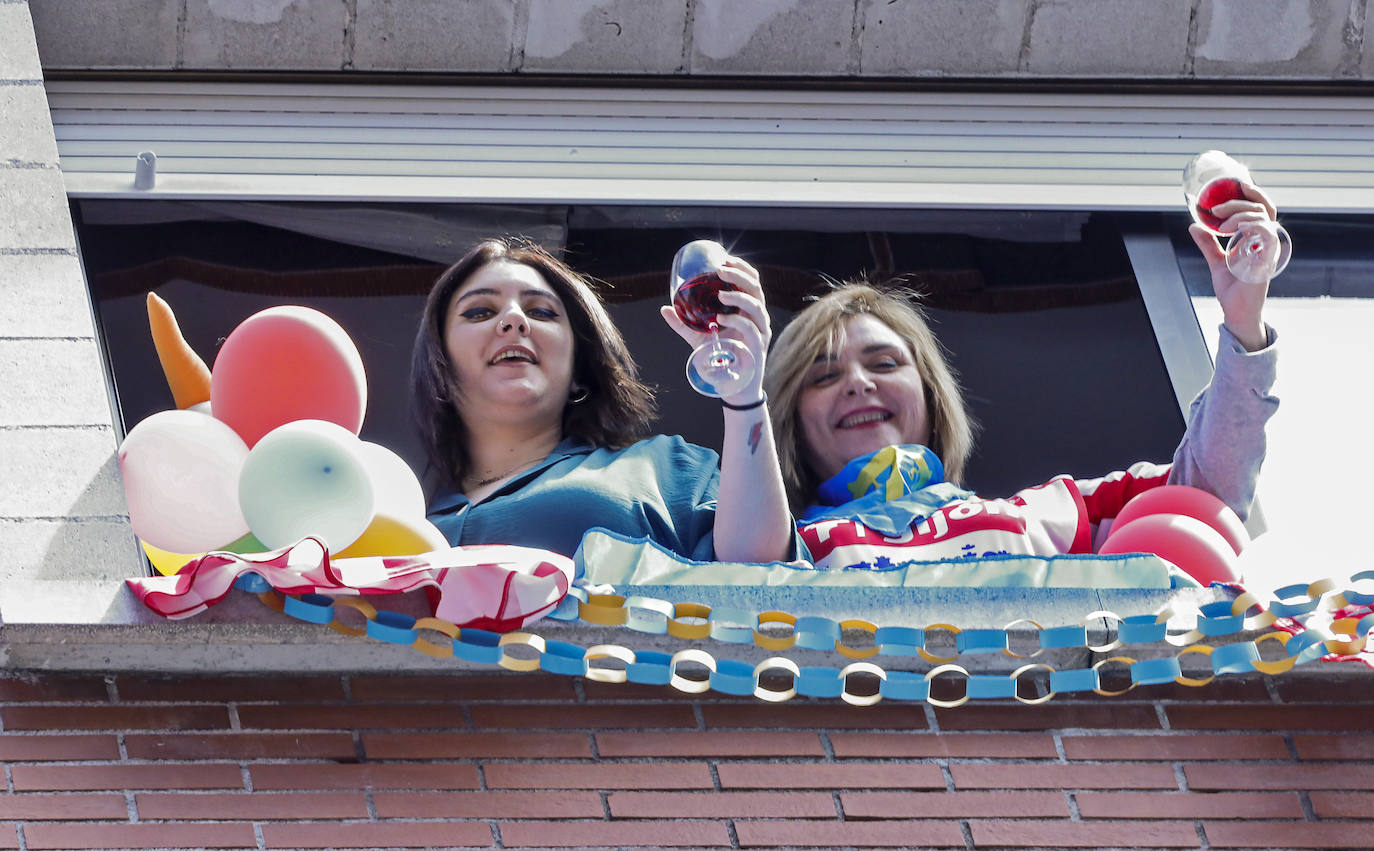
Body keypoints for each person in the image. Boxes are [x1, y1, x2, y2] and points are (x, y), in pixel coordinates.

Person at [764, 191, 1281, 570]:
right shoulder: (767, 544)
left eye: (884, 364)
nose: (857, 383)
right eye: (825, 375)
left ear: (932, 398)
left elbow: (1203, 498)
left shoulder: (1046, 513)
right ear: (791, 422)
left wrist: (1242, 325)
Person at [412, 238, 795, 564]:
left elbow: (759, 571)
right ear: (438, 364)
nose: (514, 321)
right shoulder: (404, 513)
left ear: (580, 369)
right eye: (480, 311)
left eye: (541, 312)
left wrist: (743, 394)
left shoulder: (663, 468)